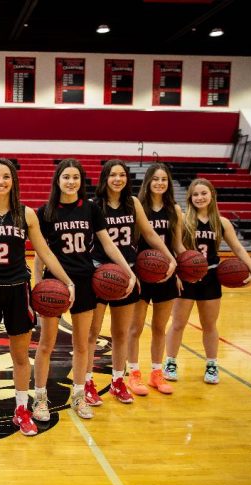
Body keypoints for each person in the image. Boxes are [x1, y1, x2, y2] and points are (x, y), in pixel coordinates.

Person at [0, 158, 75, 437]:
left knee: (20, 356)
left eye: (6, 177)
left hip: (18, 289)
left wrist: (66, 280)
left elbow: (45, 253)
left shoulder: (26, 214)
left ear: (13, 181)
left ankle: (22, 408)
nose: (1, 181)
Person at [32, 158, 135, 421]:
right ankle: (40, 398)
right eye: (66, 177)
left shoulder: (90, 209)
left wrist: (128, 270)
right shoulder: (45, 212)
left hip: (86, 280)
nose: (70, 182)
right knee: (46, 345)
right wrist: (36, 284)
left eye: (75, 177)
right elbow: (39, 254)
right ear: (57, 181)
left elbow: (109, 245)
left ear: (81, 181)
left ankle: (79, 395)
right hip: (54, 284)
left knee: (82, 344)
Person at [86, 159, 176, 407]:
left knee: (121, 333)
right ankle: (87, 383)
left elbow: (148, 234)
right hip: (101, 274)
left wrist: (170, 259)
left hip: (128, 274)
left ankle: (117, 381)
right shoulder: (94, 206)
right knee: (92, 333)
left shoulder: (133, 203)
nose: (117, 179)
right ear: (104, 179)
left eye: (122, 175)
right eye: (113, 175)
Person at [164, 178, 251, 384]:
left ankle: (212, 364)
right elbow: (174, 246)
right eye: (195, 194)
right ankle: (170, 362)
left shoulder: (221, 222)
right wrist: (178, 273)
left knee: (210, 325)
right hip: (186, 277)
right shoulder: (183, 219)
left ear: (212, 196)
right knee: (178, 323)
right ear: (190, 198)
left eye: (203, 193)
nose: (200, 197)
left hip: (211, 276)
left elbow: (238, 248)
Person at [126, 163, 185, 396]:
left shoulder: (175, 210)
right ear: (148, 182)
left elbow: (178, 245)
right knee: (135, 328)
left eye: (164, 179)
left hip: (167, 274)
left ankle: (157, 373)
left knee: (160, 328)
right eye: (155, 179)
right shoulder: (138, 207)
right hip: (142, 273)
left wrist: (181, 271)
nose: (160, 183)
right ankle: (134, 374)